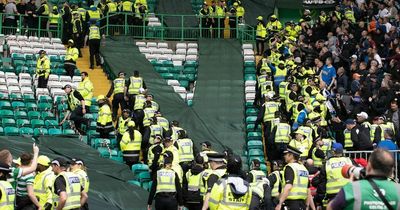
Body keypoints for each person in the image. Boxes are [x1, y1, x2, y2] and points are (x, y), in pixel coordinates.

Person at [328, 148, 400, 209]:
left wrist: (348, 186)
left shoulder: (351, 189)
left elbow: (330, 208)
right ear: (391, 171)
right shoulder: (397, 190)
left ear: (369, 166)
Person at [312, 143, 352, 208]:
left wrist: (319, 199)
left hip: (333, 197)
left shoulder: (327, 164)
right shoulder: (349, 161)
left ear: (333, 151)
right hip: (348, 195)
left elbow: (322, 184)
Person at [275, 145, 314, 210]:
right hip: (302, 204)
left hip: (291, 204)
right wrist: (307, 206)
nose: (284, 156)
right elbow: (308, 190)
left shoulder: (289, 167)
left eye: (286, 154)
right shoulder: (304, 169)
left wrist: (280, 203)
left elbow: (288, 187)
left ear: (291, 156)